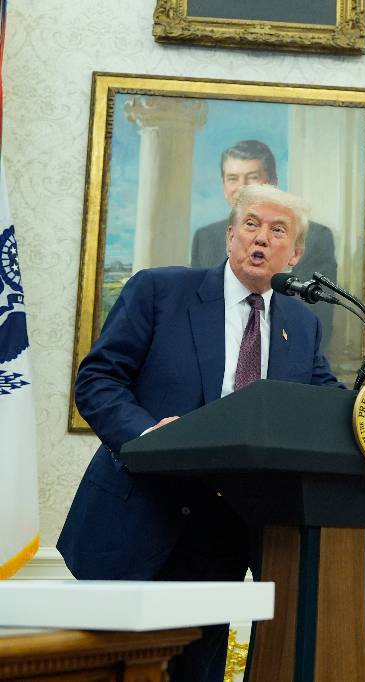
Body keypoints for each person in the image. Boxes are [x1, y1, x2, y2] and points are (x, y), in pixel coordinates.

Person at [57, 185, 340, 682]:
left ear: (295, 255)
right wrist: (148, 435)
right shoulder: (159, 291)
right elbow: (98, 379)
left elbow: (323, 403)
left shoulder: (301, 323)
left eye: (278, 231)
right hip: (140, 518)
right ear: (230, 236)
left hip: (224, 535)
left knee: (197, 673)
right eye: (251, 224)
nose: (261, 238)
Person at [191, 139, 337, 348]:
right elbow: (198, 310)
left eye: (252, 177)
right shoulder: (205, 237)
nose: (241, 187)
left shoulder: (315, 237)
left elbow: (316, 321)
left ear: (272, 182)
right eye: (232, 178)